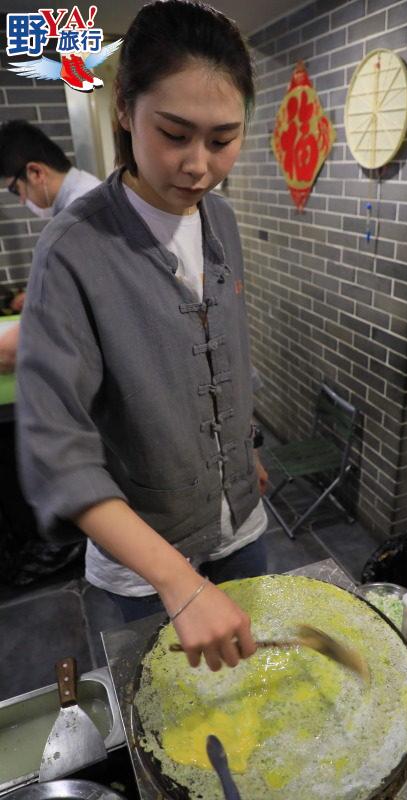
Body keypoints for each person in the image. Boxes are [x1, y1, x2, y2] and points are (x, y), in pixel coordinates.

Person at [17, 0, 270, 672]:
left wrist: (240, 453)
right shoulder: (74, 249)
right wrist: (177, 581)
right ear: (124, 110)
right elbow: (56, 452)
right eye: (174, 133)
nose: (198, 165)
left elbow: (228, 356)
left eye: (221, 140)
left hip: (241, 525)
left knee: (260, 704)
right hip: (145, 566)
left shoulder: (220, 222)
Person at [0, 120, 101, 373]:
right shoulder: (84, 196)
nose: (22, 200)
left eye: (15, 190)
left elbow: (72, 316)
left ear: (35, 172)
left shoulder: (80, 216)